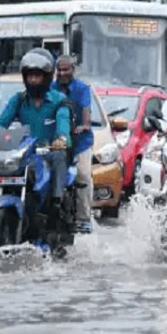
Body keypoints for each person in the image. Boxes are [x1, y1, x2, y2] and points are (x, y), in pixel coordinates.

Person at [0, 48, 71, 226]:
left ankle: (56, 206)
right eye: (30, 76)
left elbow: (63, 121)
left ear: (47, 77)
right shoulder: (18, 100)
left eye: (37, 76)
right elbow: (1, 122)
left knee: (59, 157)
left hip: (48, 153)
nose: (33, 80)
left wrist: (62, 139)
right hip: (25, 155)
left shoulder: (59, 100)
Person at [52, 54, 94, 234]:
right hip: (56, 142)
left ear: (72, 70)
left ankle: (84, 218)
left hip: (79, 142)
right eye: (59, 70)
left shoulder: (82, 89)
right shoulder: (50, 88)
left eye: (65, 69)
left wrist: (84, 126)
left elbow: (86, 109)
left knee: (83, 175)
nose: (62, 73)